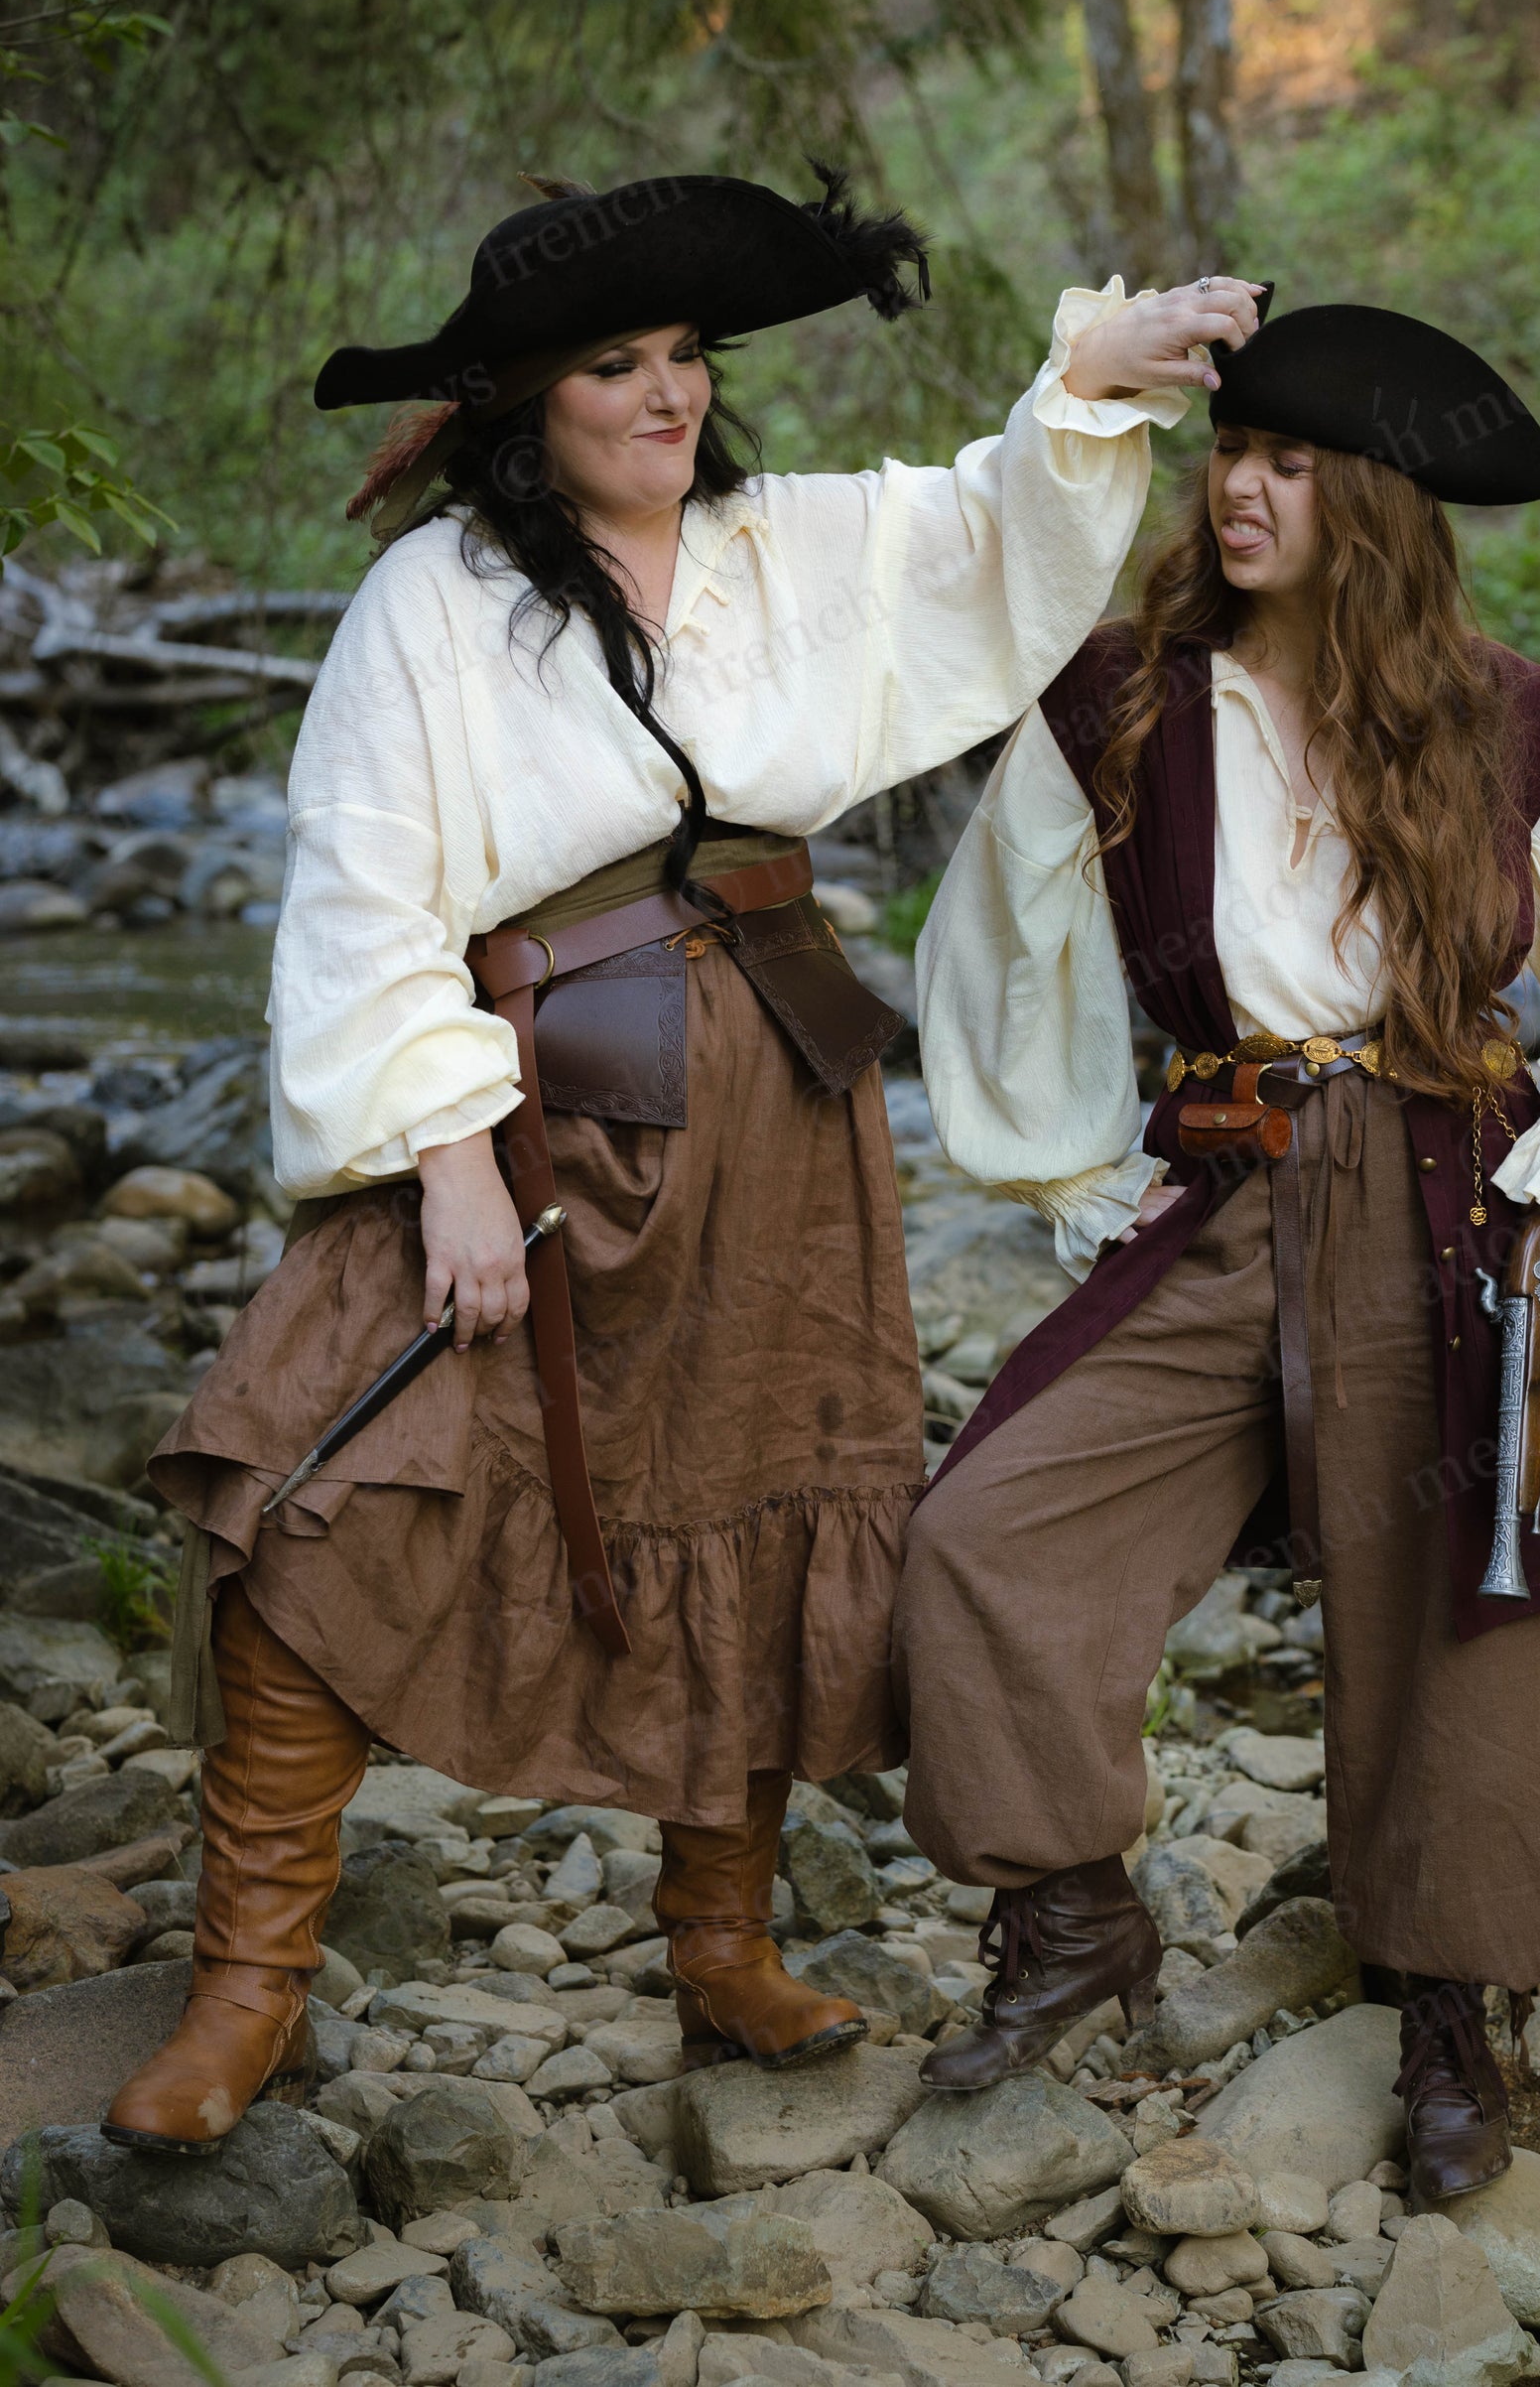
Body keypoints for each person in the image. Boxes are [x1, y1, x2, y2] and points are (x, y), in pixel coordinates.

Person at [105, 163, 1265, 2154]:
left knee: (755, 1480)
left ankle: (717, 1943)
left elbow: (990, 545)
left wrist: (1095, 386)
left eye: (683, 361)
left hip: (770, 1087)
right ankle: (249, 1987)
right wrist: (447, 1159)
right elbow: (368, 890)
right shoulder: (436, 604)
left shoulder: (783, 548)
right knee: (308, 1479)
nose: (666, 399)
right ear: (520, 407)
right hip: (528, 1086)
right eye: (611, 368)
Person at [895, 301, 1540, 2199]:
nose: (1242, 490)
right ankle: (1071, 1912)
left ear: (1368, 504)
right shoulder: (1119, 693)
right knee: (985, 1529)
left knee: (1461, 1589)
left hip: (1454, 1181)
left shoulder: (1503, 712)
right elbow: (990, 930)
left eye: (1289, 465)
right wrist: (1056, 1166)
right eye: (1233, 456)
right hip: (1223, 1179)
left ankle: (1447, 2002)